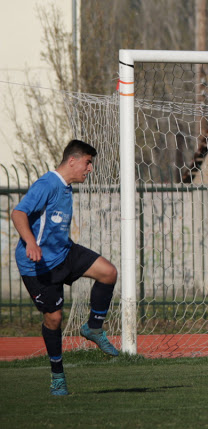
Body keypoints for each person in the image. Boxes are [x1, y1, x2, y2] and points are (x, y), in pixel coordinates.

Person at [11, 139, 119, 396]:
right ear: (73, 160)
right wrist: (30, 243)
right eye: (88, 162)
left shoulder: (67, 187)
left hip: (65, 253)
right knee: (54, 319)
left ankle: (93, 327)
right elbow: (18, 213)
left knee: (108, 272)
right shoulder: (47, 184)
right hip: (38, 265)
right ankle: (57, 377)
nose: (90, 168)